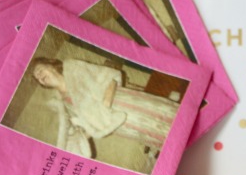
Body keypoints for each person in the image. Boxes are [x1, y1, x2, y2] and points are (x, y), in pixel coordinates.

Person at [30, 57, 178, 159]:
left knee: (170, 118)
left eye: (40, 70)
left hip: (126, 103)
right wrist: (82, 140)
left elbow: (110, 76)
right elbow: (86, 127)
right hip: (119, 125)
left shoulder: (73, 67)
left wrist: (105, 105)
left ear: (50, 64)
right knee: (162, 137)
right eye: (37, 78)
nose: (39, 76)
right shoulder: (63, 104)